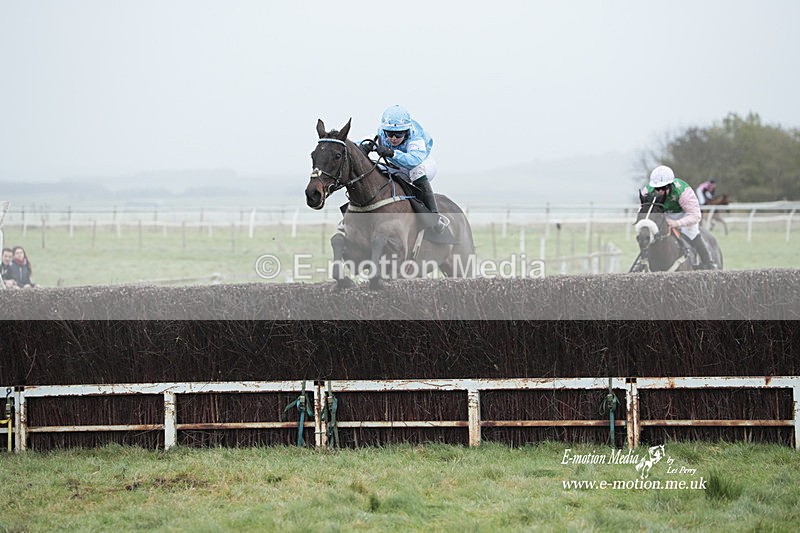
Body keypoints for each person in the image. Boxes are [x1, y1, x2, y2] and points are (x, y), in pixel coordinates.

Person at [373, 105, 449, 233]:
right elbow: (360, 143)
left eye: (398, 134)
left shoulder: (416, 137)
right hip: (399, 167)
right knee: (376, 168)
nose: (393, 138)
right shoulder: (381, 133)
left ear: (406, 131)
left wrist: (392, 153)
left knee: (416, 170)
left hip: (423, 166)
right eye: (390, 133)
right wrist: (364, 146)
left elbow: (413, 161)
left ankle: (435, 219)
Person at [643, 165, 719, 270]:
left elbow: (696, 215)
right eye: (657, 188)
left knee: (691, 232)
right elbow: (644, 213)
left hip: (684, 215)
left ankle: (709, 263)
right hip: (662, 215)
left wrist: (677, 223)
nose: (659, 191)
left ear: (670, 185)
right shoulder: (647, 191)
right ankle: (642, 261)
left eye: (663, 188)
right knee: (648, 235)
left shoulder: (683, 191)